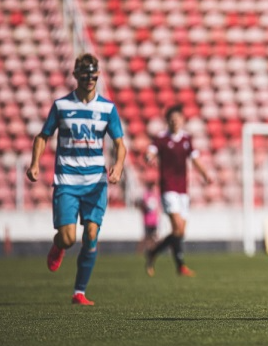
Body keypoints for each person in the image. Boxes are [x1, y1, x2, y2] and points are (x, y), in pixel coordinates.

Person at [26, 53, 126, 306]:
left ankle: (79, 292)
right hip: (67, 182)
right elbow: (42, 136)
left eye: (93, 75)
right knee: (69, 238)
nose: (89, 79)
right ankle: (59, 245)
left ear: (98, 75)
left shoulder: (107, 108)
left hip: (95, 183)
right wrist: (35, 163)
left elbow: (119, 144)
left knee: (91, 234)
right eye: (85, 75)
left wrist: (118, 166)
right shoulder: (61, 106)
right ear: (76, 76)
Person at [144, 104, 212, 277]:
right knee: (178, 226)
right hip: (168, 188)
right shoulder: (161, 139)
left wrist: (205, 174)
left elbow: (195, 159)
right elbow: (151, 151)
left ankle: (154, 253)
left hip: (183, 189)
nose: (175, 122)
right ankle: (180, 266)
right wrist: (149, 157)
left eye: (178, 119)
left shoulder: (186, 139)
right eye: (172, 119)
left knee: (180, 232)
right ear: (167, 121)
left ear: (182, 120)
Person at [138, 179, 160, 253]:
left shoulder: (156, 195)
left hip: (154, 220)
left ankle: (152, 250)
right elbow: (143, 205)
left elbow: (158, 207)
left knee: (154, 237)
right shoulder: (146, 195)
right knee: (146, 237)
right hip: (147, 220)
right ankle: (140, 251)